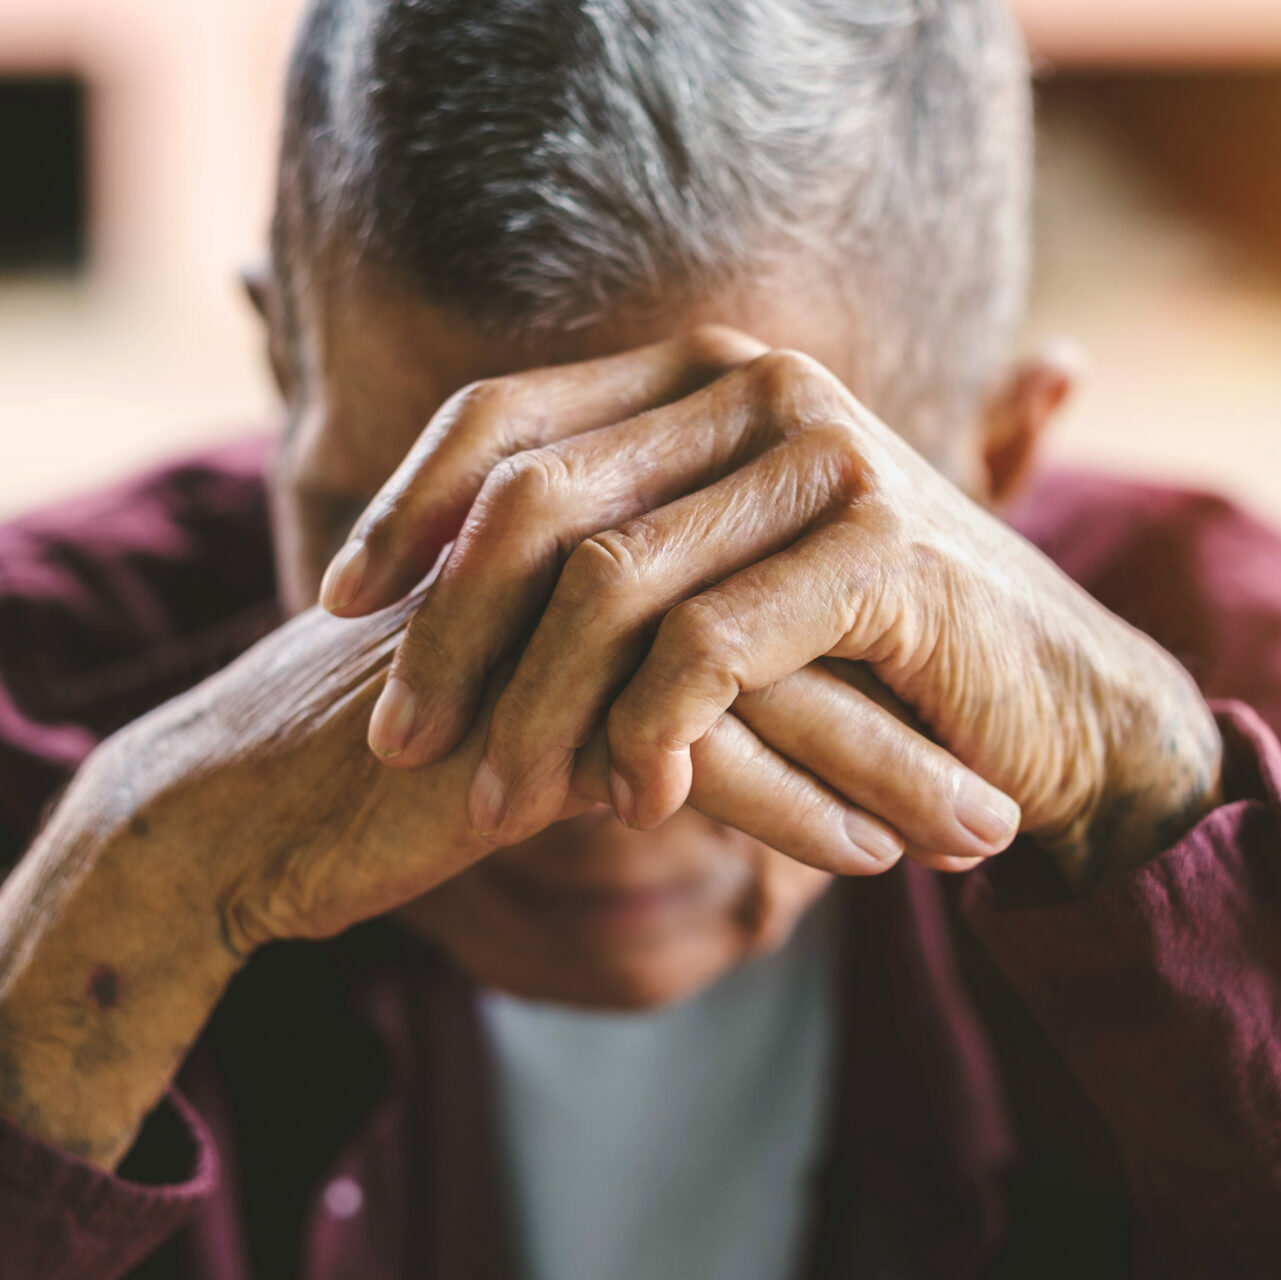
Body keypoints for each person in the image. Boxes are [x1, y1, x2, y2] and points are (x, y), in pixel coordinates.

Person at [1, 0, 1279, 1277]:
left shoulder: (1240, 678)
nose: (587, 782)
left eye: (754, 566)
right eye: (430, 572)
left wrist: (1150, 802)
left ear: (997, 456)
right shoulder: (37, 697)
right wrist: (112, 910)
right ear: (285, 371)